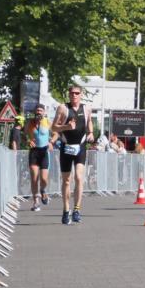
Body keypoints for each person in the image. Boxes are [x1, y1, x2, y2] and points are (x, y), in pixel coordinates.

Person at [51, 85, 94, 224]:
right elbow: (53, 127)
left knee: (79, 177)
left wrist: (91, 133)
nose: (74, 95)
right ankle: (65, 210)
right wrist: (66, 127)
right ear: (68, 94)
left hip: (80, 146)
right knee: (66, 180)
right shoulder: (63, 108)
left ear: (81, 95)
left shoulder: (86, 108)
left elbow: (89, 122)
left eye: (77, 93)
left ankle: (77, 209)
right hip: (66, 146)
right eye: (72, 93)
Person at [25, 104, 52, 210]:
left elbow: (56, 133)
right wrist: (28, 140)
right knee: (34, 178)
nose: (39, 112)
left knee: (44, 179)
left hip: (45, 151)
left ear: (44, 112)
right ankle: (36, 202)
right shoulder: (30, 123)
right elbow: (25, 134)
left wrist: (51, 142)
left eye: (41, 111)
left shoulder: (47, 122)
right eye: (37, 111)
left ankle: (43, 190)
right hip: (34, 152)